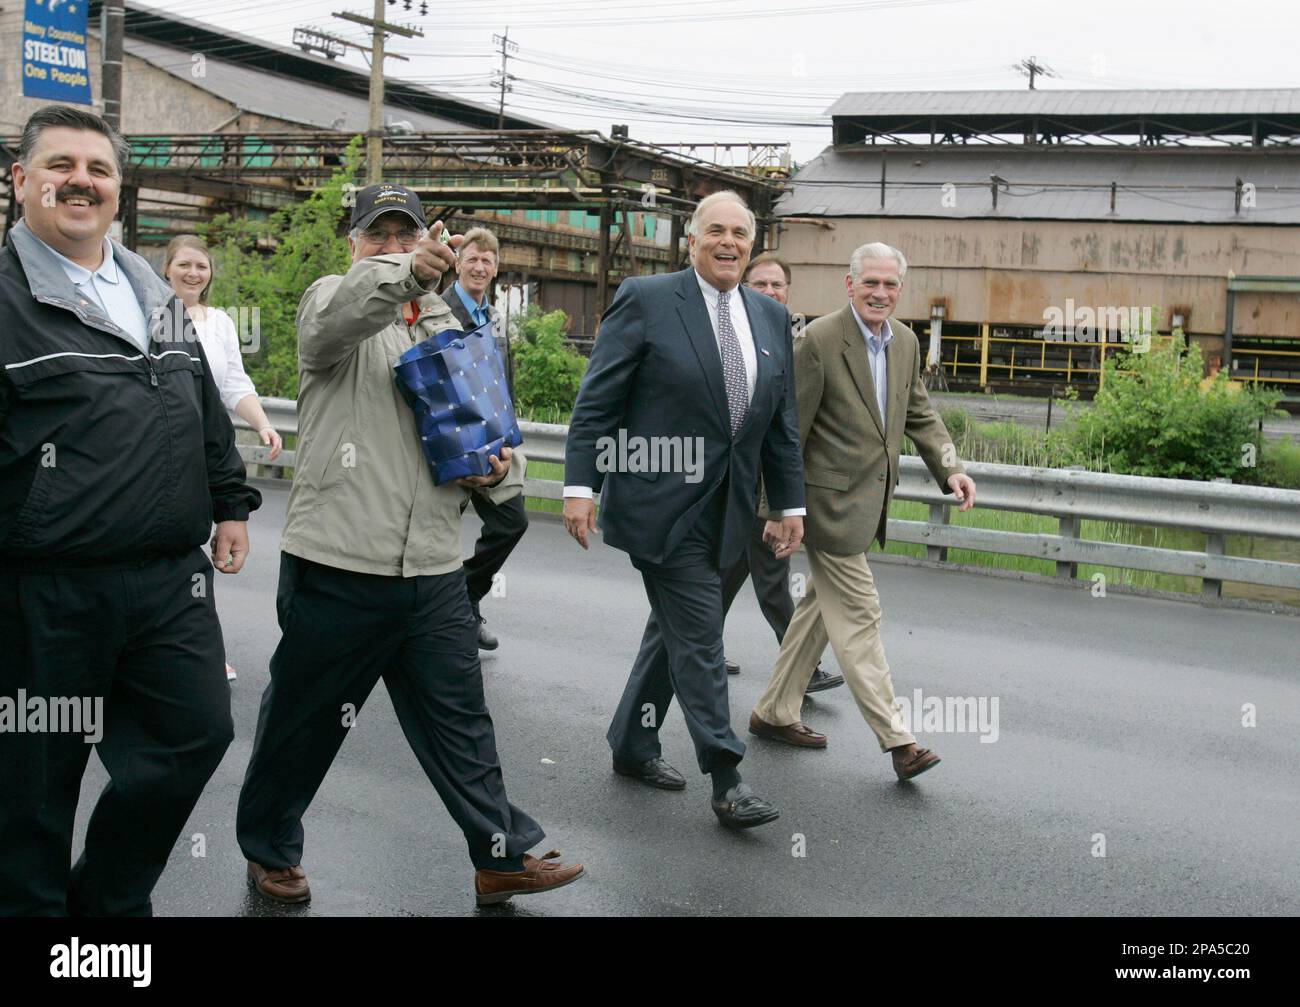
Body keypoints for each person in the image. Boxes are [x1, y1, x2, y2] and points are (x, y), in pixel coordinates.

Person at [235, 182, 583, 907]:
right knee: (302, 724)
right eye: (379, 235)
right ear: (355, 243)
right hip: (338, 561)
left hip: (430, 567)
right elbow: (340, 317)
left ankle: (500, 856)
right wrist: (411, 274)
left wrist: (501, 468)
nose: (393, 246)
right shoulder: (333, 302)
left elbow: (495, 428)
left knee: (462, 724)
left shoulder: (453, 324)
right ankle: (268, 847)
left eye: (407, 234)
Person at [0, 105, 261, 916]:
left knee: (195, 733)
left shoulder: (151, 288)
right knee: (34, 782)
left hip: (166, 582)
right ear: (21, 181)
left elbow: (203, 408)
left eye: (99, 169)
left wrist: (230, 502)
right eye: (62, 165)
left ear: (118, 188)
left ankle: (107, 903)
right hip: (43, 589)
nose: (82, 180)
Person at [563, 190, 806, 830]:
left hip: (728, 510)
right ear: (691, 240)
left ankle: (632, 742)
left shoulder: (770, 317)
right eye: (716, 231)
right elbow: (598, 402)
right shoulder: (648, 299)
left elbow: (779, 423)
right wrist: (580, 488)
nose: (729, 243)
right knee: (700, 637)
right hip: (659, 503)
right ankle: (727, 777)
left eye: (741, 234)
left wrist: (788, 503)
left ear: (752, 244)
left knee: (670, 632)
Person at [750, 242, 977, 777]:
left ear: (901, 289)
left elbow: (919, 412)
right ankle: (899, 740)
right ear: (849, 285)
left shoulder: (904, 342)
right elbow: (787, 433)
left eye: (890, 285)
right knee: (859, 614)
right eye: (870, 283)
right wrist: (778, 508)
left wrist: (952, 468)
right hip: (823, 506)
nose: (880, 293)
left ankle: (774, 710)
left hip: (866, 504)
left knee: (816, 615)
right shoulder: (819, 341)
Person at [720, 252, 843, 694]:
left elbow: (793, 426)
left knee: (734, 574)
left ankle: (699, 649)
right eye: (761, 285)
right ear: (743, 289)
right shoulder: (730, 336)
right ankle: (801, 671)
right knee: (769, 581)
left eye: (778, 286)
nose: (771, 292)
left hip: (767, 488)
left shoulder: (794, 342)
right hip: (737, 486)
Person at [164, 234, 282, 681]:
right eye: (184, 265)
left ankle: (204, 650)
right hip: (159, 452)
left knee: (203, 552)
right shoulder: (151, 316)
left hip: (205, 455)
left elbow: (235, 384)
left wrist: (263, 423)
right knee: (175, 553)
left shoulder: (220, 323)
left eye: (202, 266)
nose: (193, 273)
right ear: (167, 269)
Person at [438, 227, 527, 652]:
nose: (479, 267)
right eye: (472, 258)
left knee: (512, 522)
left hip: (491, 440)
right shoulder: (439, 309)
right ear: (458, 263)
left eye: (487, 261)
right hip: (450, 438)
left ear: (496, 268)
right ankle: (448, 619)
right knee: (434, 532)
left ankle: (465, 598)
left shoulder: (491, 315)